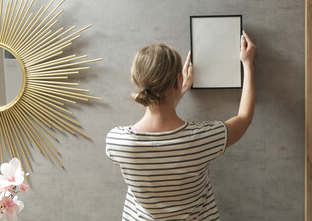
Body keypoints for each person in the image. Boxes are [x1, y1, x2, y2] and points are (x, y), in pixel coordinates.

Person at [106, 30, 256, 221]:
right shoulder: (202, 140)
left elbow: (158, 136)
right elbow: (244, 118)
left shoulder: (117, 142)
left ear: (137, 80)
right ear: (178, 79)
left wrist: (176, 93)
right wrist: (248, 65)